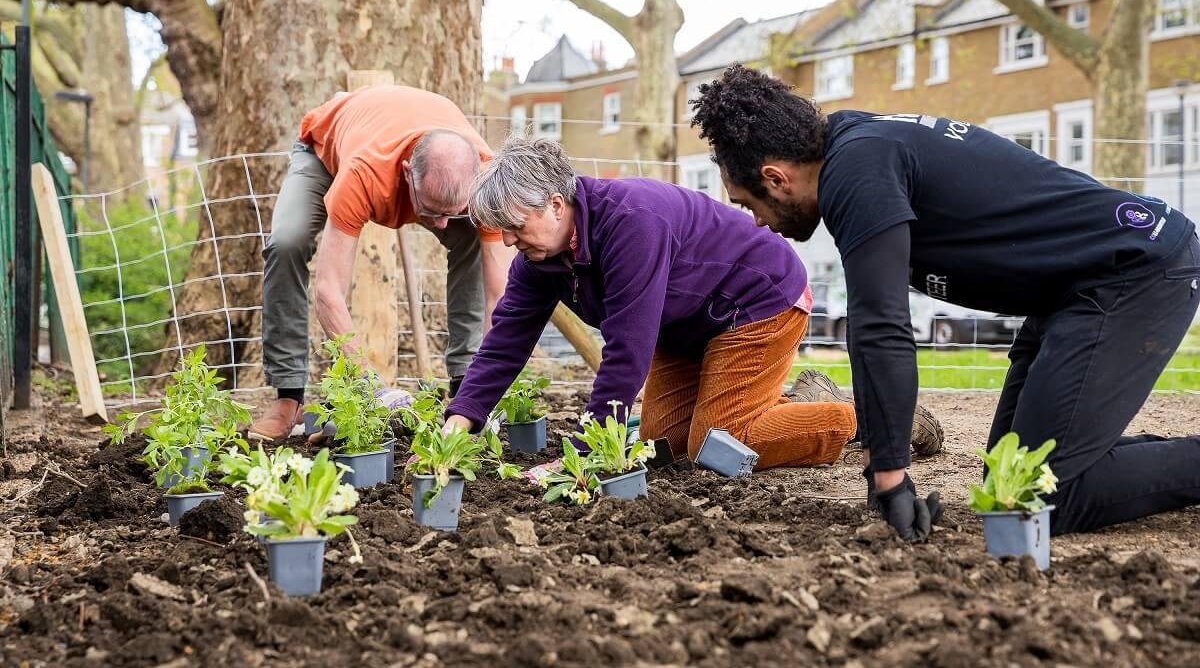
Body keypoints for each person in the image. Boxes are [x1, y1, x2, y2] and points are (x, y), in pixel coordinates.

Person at [691, 64, 1200, 541]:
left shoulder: (856, 170)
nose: (756, 221)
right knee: (1007, 479)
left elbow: (881, 325)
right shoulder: (857, 147)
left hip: (1134, 271)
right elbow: (875, 329)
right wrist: (882, 465)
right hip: (1072, 292)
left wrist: (888, 476)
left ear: (776, 178)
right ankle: (1099, 451)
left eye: (747, 203)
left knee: (1035, 501)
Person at [443, 137, 857, 469]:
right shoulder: (539, 260)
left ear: (554, 204)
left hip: (756, 302)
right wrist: (461, 418)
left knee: (719, 442)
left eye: (515, 227)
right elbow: (506, 340)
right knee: (665, 446)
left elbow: (628, 347)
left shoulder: (631, 223)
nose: (510, 241)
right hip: (685, 326)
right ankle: (790, 407)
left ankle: (864, 420)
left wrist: (587, 450)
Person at [249, 85, 513, 441]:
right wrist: (372, 387)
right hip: (327, 152)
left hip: (413, 156)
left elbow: (501, 296)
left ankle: (465, 385)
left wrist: (485, 390)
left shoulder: (487, 179)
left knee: (470, 240)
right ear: (407, 174)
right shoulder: (364, 172)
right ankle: (288, 396)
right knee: (287, 243)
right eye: (433, 212)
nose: (440, 225)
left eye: (453, 212)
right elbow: (328, 291)